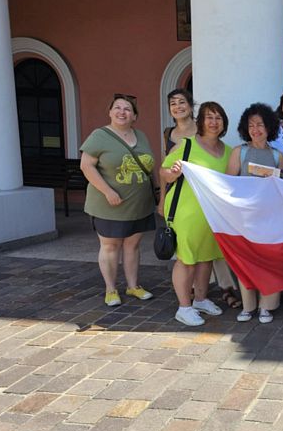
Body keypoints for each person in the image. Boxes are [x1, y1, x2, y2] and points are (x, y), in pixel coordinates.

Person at [160, 88, 242, 312]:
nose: (214, 122)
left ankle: (200, 299)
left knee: (206, 257)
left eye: (218, 118)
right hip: (187, 211)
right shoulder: (187, 144)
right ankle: (184, 307)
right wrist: (173, 173)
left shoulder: (229, 152)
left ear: (224, 123)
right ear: (201, 121)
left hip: (212, 214)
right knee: (186, 259)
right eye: (209, 117)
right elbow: (164, 172)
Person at [80, 94, 157, 307]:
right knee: (110, 246)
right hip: (110, 204)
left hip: (139, 204)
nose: (122, 112)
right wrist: (107, 191)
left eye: (127, 109)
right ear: (110, 112)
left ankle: (133, 286)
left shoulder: (141, 136)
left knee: (133, 245)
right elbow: (86, 165)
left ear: (135, 116)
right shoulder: (99, 136)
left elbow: (149, 166)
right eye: (117, 107)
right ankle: (111, 289)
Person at [226, 103, 283, 324]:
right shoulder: (239, 152)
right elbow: (228, 184)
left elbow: (282, 189)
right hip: (244, 218)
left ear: (269, 127)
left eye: (260, 125)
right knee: (245, 262)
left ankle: (266, 306)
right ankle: (248, 306)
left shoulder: (278, 156)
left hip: (269, 218)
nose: (255, 129)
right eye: (251, 125)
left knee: (269, 263)